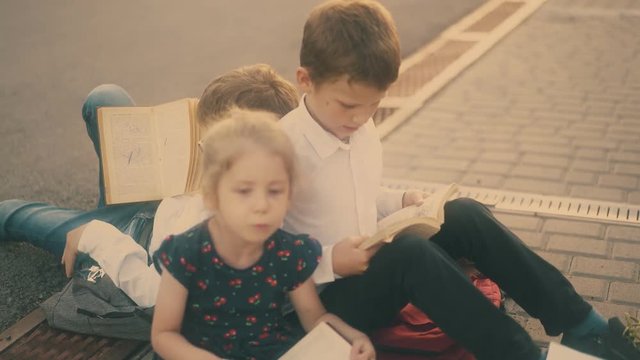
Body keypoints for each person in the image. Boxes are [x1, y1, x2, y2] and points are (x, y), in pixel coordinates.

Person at [277, 1, 640, 360]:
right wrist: (328, 261)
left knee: (463, 214)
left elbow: (360, 195)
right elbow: (259, 248)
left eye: (374, 105)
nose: (360, 118)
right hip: (321, 303)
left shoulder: (359, 127)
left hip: (371, 269)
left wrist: (402, 201)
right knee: (411, 255)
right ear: (305, 80)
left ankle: (585, 327)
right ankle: (521, 355)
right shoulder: (282, 151)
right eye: (348, 106)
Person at [0, 64, 300, 308]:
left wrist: (94, 235)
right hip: (161, 201)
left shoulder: (207, 230)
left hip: (127, 239)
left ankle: (89, 218)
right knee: (105, 98)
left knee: (11, 214)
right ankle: (111, 200)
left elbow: (151, 294)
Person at [150, 110, 375, 360]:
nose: (261, 205)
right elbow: (163, 334)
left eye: (275, 191)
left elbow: (316, 318)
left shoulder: (288, 252)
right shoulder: (187, 252)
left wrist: (354, 337)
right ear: (213, 195)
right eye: (244, 191)